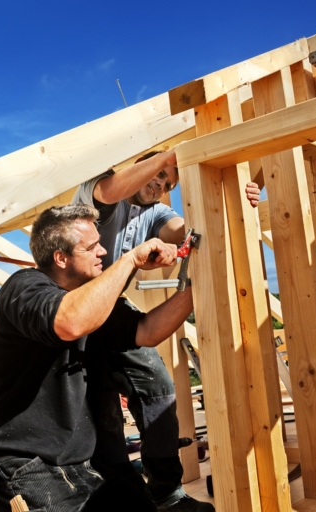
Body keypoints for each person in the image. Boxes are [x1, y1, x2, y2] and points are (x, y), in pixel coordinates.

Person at [0, 204, 195, 512]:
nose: (103, 251)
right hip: (27, 462)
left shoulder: (94, 300)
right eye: (91, 247)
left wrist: (196, 287)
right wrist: (130, 260)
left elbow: (147, 330)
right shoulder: (24, 288)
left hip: (93, 460)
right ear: (61, 258)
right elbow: (68, 322)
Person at [72, 149, 259, 511]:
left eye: (167, 183)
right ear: (142, 165)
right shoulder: (103, 190)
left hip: (109, 311)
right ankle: (107, 498)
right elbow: (109, 192)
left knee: (157, 388)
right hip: (70, 308)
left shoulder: (156, 213)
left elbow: (187, 232)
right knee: (98, 413)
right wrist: (167, 156)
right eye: (156, 175)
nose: (159, 185)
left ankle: (166, 492)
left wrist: (236, 197)